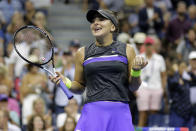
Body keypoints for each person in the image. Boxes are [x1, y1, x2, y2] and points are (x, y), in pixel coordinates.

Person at [50, 9, 147, 131]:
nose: (95, 23)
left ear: (112, 27)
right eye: (93, 21)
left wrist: (136, 71)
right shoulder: (82, 53)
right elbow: (79, 87)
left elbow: (133, 87)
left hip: (119, 111)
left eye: (101, 19)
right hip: (93, 111)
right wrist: (66, 81)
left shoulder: (127, 50)